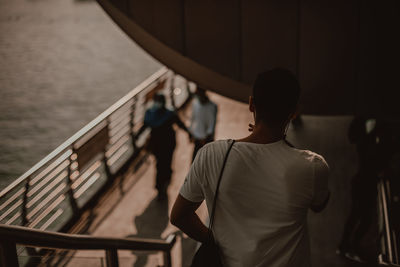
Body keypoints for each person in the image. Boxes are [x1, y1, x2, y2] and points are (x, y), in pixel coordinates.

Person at [170, 68, 330, 267]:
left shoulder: (211, 155)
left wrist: (218, 241)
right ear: (294, 112)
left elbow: (179, 216)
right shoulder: (313, 166)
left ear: (251, 104)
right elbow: (319, 204)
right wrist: (280, 142)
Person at [137, 93, 190, 200]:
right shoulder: (167, 114)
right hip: (162, 145)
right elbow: (180, 125)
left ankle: (161, 185)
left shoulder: (156, 114)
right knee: (163, 165)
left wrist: (190, 133)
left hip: (165, 145)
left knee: (162, 165)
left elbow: (180, 125)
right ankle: (163, 183)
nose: (156, 103)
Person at [189, 87, 218, 161]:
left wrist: (206, 137)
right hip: (197, 137)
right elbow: (193, 119)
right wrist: (191, 132)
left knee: (207, 161)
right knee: (195, 162)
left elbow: (212, 124)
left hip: (206, 139)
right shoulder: (195, 104)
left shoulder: (212, 106)